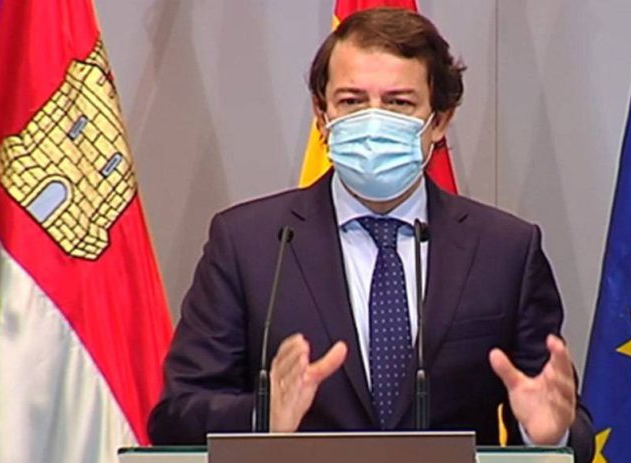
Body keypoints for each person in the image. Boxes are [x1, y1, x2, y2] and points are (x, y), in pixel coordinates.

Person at [148, 7, 594, 462]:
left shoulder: (505, 250)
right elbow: (175, 417)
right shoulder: (249, 245)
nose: (372, 121)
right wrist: (263, 418)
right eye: (351, 102)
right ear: (321, 114)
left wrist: (546, 436)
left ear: (440, 120)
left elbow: (565, 425)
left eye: (399, 103)